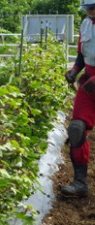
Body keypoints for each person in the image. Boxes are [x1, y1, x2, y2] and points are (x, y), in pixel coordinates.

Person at [61, 0, 95, 198]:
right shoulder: (85, 24)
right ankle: (80, 182)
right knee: (76, 128)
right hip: (88, 82)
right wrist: (74, 70)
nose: (91, 10)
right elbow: (82, 56)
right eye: (88, 7)